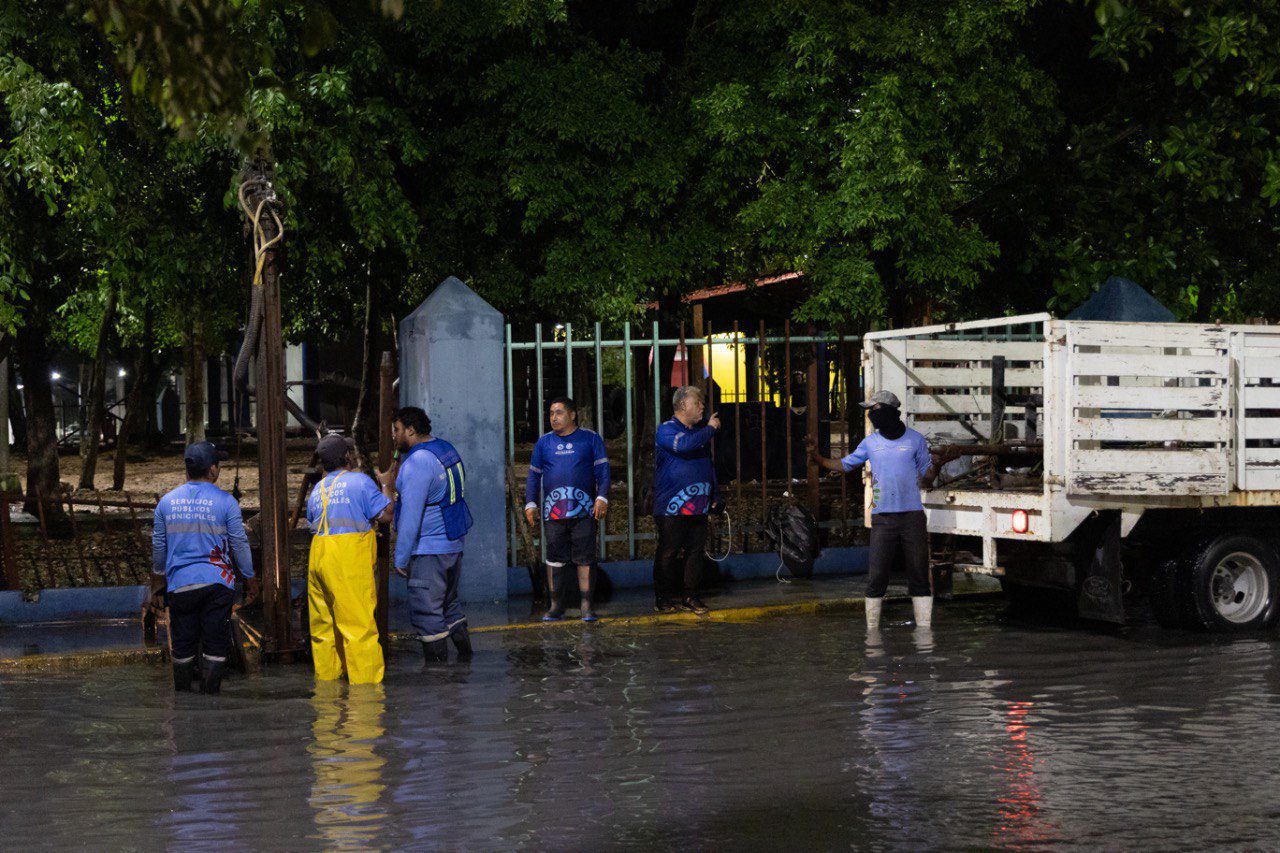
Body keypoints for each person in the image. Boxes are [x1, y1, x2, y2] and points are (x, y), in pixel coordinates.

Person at [808, 390, 943, 630]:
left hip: (912, 517)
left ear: (890, 412)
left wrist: (938, 465)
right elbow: (845, 464)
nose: (871, 415)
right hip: (882, 519)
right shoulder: (871, 442)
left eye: (875, 409)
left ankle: (924, 631)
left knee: (919, 576)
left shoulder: (915, 440)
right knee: (877, 576)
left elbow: (927, 478)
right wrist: (818, 458)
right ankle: (872, 631)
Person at [151, 441, 258, 693]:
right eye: (217, 464)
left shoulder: (166, 503)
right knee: (214, 642)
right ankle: (211, 701)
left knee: (183, 643)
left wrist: (157, 583)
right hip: (217, 584)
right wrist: (251, 579)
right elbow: (239, 544)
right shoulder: (226, 502)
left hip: (180, 584)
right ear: (212, 470)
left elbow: (158, 548)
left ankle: (184, 703)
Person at [384, 406, 474, 665]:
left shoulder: (418, 463)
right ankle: (465, 664)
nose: (394, 435)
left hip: (428, 551)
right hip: (452, 543)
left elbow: (411, 516)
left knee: (427, 613)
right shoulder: (445, 449)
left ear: (411, 430)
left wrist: (400, 558)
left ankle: (439, 678)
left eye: (397, 430)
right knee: (449, 605)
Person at [305, 433, 395, 684]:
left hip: (318, 560)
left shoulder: (317, 490)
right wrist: (387, 485)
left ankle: (328, 690)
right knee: (359, 628)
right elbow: (386, 515)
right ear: (347, 457)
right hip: (347, 561)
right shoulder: (360, 482)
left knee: (324, 630)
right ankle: (365, 697)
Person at [524, 397, 611, 622]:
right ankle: (556, 606)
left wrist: (602, 497)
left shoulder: (590, 439)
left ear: (572, 415)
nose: (554, 417)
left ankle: (586, 606)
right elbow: (533, 476)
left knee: (585, 558)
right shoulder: (544, 443)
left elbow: (603, 471)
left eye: (559, 412)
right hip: (553, 513)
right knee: (554, 558)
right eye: (551, 413)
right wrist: (531, 503)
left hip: (584, 512)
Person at [653, 385, 720, 615]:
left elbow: (708, 466)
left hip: (698, 504)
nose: (702, 406)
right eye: (698, 402)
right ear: (683, 405)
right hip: (671, 505)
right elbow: (684, 445)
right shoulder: (667, 430)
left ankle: (690, 596)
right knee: (669, 551)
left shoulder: (699, 432)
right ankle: (663, 598)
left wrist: (714, 494)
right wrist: (710, 429)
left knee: (695, 551)